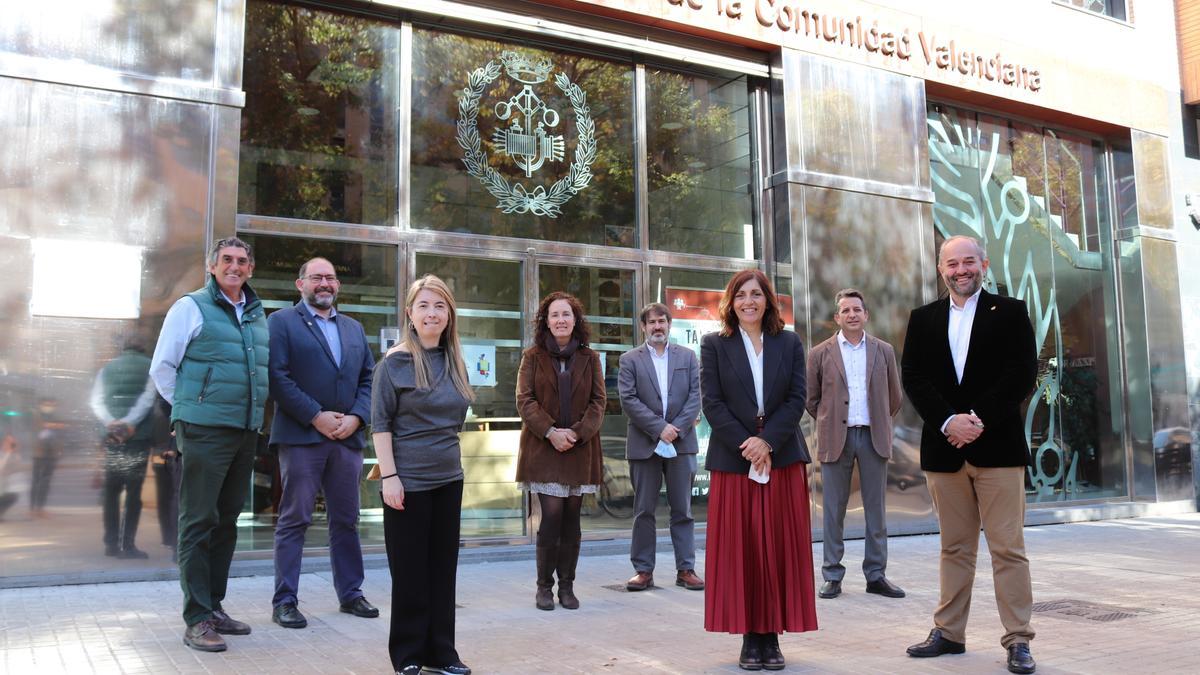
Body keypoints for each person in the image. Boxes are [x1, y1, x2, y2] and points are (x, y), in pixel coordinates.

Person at [900, 235, 1038, 674]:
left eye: (969, 262)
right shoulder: (923, 319)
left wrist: (976, 418)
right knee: (954, 548)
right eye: (952, 264)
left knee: (1008, 549)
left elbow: (1022, 374)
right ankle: (949, 633)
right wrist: (948, 422)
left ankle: (1018, 640)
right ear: (941, 269)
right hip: (945, 452)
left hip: (997, 449)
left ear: (984, 263)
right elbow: (914, 378)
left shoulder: (1011, 312)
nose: (961, 270)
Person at [150, 236, 269, 653]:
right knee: (198, 521)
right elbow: (163, 368)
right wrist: (189, 409)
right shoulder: (190, 307)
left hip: (243, 431)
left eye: (242, 261)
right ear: (212, 266)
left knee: (227, 521)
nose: (235, 267)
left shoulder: (256, 314)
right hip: (204, 430)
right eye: (227, 260)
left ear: (250, 269)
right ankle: (196, 618)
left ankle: (214, 607)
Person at [700, 269, 817, 671]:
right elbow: (712, 403)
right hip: (735, 462)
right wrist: (748, 444)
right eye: (740, 295)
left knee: (778, 549)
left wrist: (768, 441)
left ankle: (772, 637)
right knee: (743, 548)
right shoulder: (714, 344)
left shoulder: (789, 342)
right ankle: (751, 637)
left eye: (756, 294)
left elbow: (798, 396)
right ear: (730, 303)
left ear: (768, 299)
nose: (748, 301)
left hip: (781, 457)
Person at [372, 274, 475, 675]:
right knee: (410, 572)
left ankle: (443, 654)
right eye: (424, 306)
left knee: (442, 570)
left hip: (449, 479)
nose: (432, 313)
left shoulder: (454, 362)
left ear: (449, 315)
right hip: (407, 482)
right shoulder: (394, 363)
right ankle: (409, 656)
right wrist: (390, 477)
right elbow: (380, 424)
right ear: (410, 314)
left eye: (440, 306)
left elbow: (454, 424)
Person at [268, 257, 378, 629]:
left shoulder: (354, 328)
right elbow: (278, 378)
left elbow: (368, 378)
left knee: (346, 519)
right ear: (301, 285)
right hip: (302, 437)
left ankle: (351, 594)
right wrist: (316, 415)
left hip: (347, 439)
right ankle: (285, 601)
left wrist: (357, 418)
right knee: (294, 519)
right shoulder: (281, 322)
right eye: (316, 278)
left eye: (330, 277)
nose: (324, 283)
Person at [805, 289, 904, 600]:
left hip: (873, 435)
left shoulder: (883, 351)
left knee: (877, 510)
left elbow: (894, 396)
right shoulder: (820, 353)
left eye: (856, 310)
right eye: (845, 310)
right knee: (833, 510)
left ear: (866, 315)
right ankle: (832, 575)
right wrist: (829, 419)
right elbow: (811, 399)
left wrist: (878, 419)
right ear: (837, 317)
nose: (851, 315)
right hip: (837, 437)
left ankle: (876, 575)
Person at [515, 291, 605, 612]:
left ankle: (567, 586)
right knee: (551, 517)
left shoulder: (590, 358)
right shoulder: (532, 356)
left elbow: (598, 402)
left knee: (572, 519)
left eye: (566, 314)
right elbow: (525, 400)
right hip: (544, 449)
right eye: (554, 315)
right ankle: (544, 587)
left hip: (580, 450)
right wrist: (551, 431)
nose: (561, 320)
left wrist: (577, 433)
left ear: (575, 320)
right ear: (546, 321)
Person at [617, 302, 704, 592]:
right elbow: (628, 400)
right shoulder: (630, 359)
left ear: (669, 325)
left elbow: (696, 396)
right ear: (643, 327)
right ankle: (643, 571)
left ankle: (686, 569)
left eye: (662, 321)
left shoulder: (688, 357)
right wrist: (659, 429)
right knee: (644, 510)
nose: (657, 327)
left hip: (681, 444)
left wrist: (674, 429)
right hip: (645, 444)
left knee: (683, 510)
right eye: (652, 322)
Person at [89, 337, 158, 558]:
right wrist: (130, 423)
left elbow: (96, 401)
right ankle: (127, 544)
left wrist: (112, 422)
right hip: (137, 438)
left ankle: (110, 543)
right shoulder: (150, 366)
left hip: (112, 437)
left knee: (111, 491)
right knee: (133, 493)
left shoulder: (106, 369)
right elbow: (148, 398)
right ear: (142, 348)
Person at [30, 397, 65, 517]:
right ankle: (32, 508)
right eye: (47, 404)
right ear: (41, 404)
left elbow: (61, 428)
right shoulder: (36, 414)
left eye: (52, 404)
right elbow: (38, 426)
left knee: (46, 482)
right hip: (39, 453)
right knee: (36, 481)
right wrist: (54, 425)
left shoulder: (56, 416)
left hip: (52, 453)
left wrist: (51, 425)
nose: (49, 406)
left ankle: (41, 508)